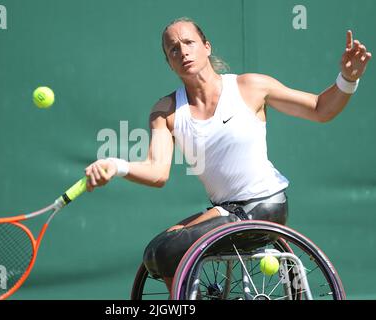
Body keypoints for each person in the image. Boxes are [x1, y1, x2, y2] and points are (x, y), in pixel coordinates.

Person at [84, 17, 372, 292]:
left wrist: (347, 78)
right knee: (156, 252)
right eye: (173, 49)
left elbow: (321, 109)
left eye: (189, 42)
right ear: (169, 62)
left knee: (168, 250)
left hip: (264, 206)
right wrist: (117, 165)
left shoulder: (251, 87)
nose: (183, 51)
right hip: (228, 211)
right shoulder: (166, 111)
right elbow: (157, 172)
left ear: (206, 47)